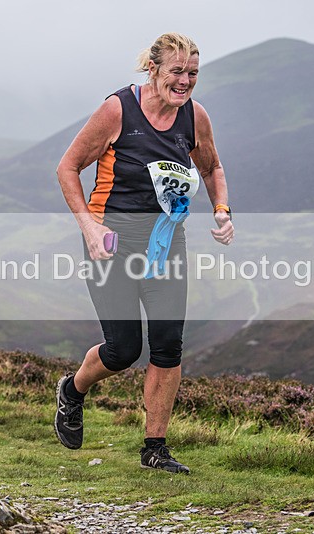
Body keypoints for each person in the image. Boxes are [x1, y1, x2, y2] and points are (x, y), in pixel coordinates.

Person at [54, 32, 233, 474]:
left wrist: (222, 209)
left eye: (193, 73)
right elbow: (68, 167)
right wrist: (89, 228)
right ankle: (73, 391)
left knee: (168, 344)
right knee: (122, 349)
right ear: (153, 69)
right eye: (177, 72)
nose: (185, 81)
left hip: (166, 242)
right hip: (110, 242)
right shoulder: (118, 110)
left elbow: (211, 166)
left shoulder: (195, 116)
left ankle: (155, 448)